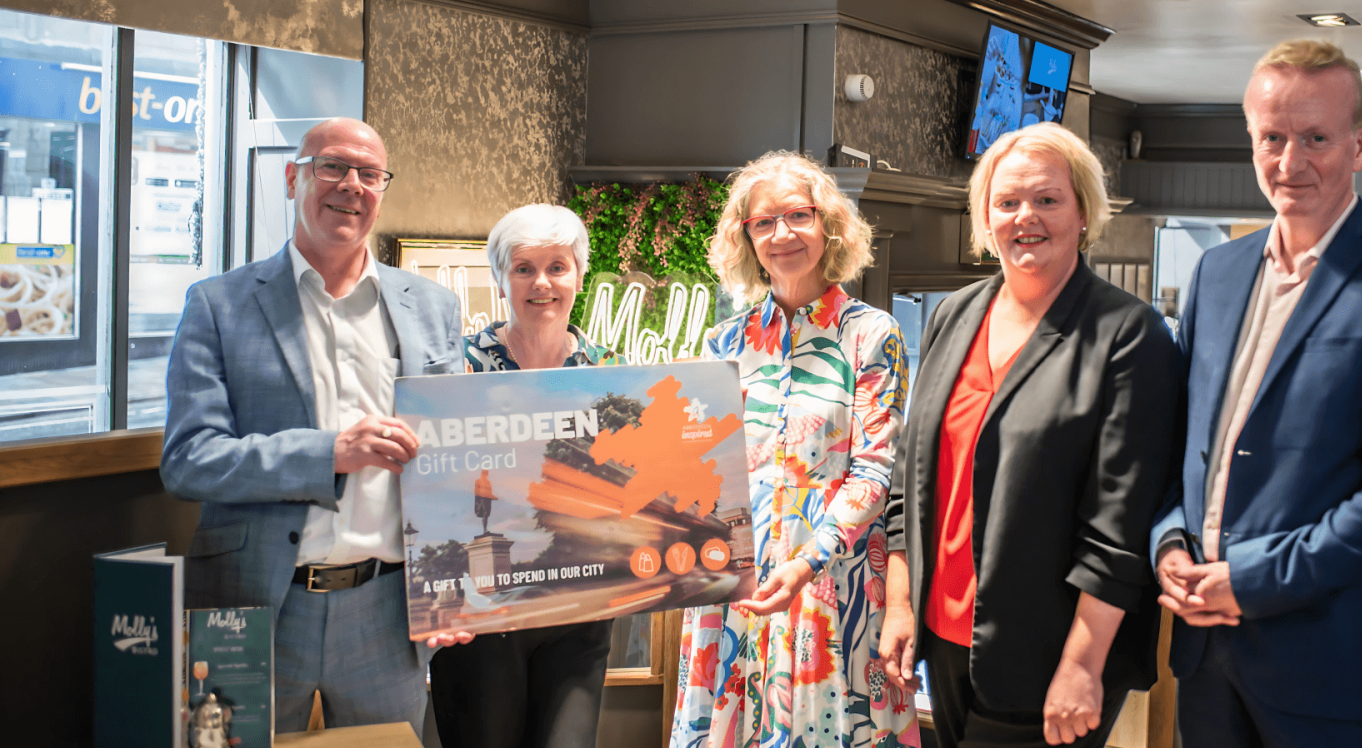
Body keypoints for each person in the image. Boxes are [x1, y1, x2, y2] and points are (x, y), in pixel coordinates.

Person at [1150, 40, 1362, 747]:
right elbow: (1182, 448)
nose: (1290, 163)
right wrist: (1168, 543)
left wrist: (1250, 579)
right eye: (1272, 138)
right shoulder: (1217, 273)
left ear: (1360, 145)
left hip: (1323, 672)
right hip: (1202, 659)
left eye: (1316, 138)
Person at [161, 118, 472, 737]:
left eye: (369, 174)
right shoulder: (218, 305)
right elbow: (189, 458)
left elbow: (456, 462)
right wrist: (329, 452)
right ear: (291, 177)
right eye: (332, 166)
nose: (351, 185)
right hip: (258, 605)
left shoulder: (432, 307)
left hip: (388, 612)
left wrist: (453, 587)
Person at [880, 122, 1183, 748]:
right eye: (1008, 201)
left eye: (1048, 199)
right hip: (945, 640)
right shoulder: (954, 314)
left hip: (1050, 654)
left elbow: (1121, 529)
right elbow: (912, 475)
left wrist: (1081, 665)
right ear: (985, 218)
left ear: (1082, 214)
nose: (1027, 217)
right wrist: (902, 603)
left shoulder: (1129, 335)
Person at [670, 151, 921, 748]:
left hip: (830, 582)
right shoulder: (722, 342)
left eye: (798, 216)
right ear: (746, 236)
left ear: (828, 225)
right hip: (735, 584)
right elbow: (703, 471)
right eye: (763, 222)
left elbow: (875, 466)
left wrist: (807, 561)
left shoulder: (871, 334)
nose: (781, 234)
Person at [429, 203, 622, 748]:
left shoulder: (613, 372)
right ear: (500, 279)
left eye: (558, 267)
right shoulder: (457, 366)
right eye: (523, 268)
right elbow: (433, 485)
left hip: (580, 612)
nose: (542, 283)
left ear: (579, 277)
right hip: (483, 619)